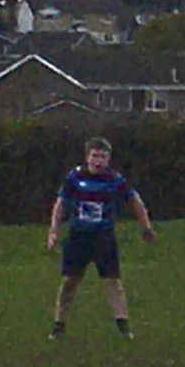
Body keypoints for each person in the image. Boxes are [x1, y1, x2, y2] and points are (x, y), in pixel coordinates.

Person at [46, 136, 156, 339]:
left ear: (108, 160)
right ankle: (59, 324)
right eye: (95, 156)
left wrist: (145, 227)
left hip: (103, 237)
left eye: (103, 157)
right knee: (70, 281)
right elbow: (61, 203)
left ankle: (123, 327)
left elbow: (134, 201)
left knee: (112, 281)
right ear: (87, 157)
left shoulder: (115, 180)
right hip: (78, 236)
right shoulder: (75, 178)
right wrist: (53, 231)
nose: (98, 161)